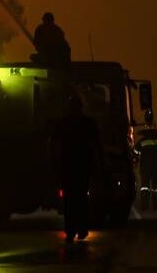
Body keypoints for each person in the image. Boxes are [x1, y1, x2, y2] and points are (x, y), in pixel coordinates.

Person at [51, 92, 102, 243]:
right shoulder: (88, 123)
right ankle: (82, 229)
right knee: (82, 199)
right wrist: (100, 163)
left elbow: (53, 144)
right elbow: (96, 145)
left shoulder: (62, 123)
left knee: (69, 201)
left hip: (67, 166)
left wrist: (54, 163)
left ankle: (70, 231)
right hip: (82, 166)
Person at [133, 126, 157, 210]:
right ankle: (156, 203)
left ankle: (144, 205)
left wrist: (135, 163)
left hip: (145, 167)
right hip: (156, 166)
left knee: (144, 186)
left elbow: (135, 154)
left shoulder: (141, 142)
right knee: (155, 186)